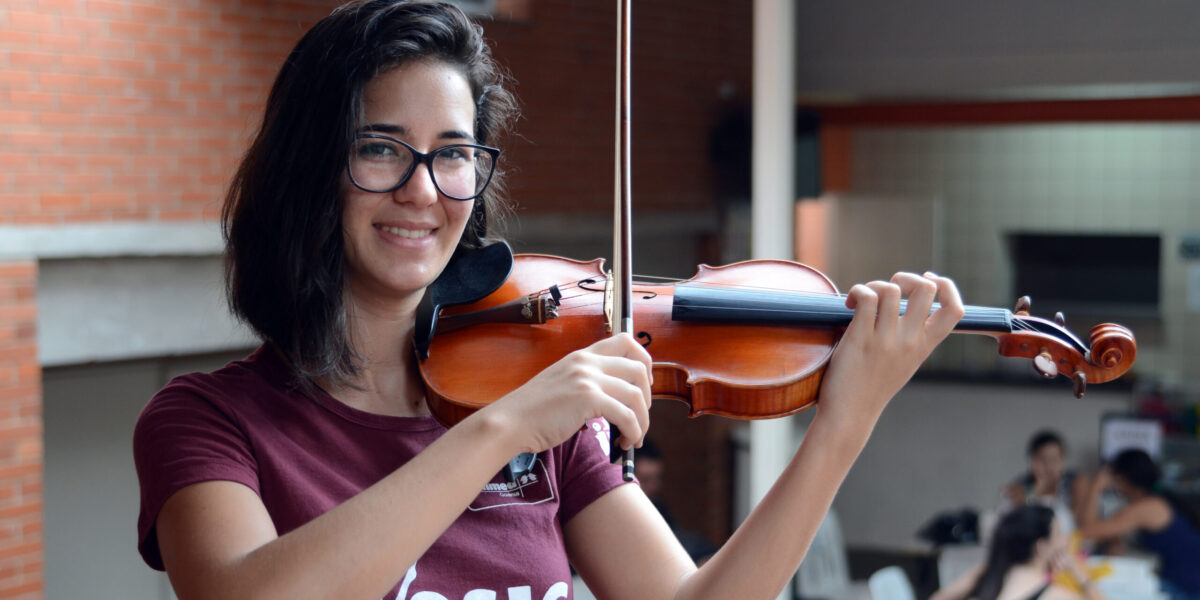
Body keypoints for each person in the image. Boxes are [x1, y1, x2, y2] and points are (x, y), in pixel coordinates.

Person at [131, 2, 965, 599]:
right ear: (309, 171)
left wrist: (845, 419)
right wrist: (508, 427)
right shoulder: (208, 424)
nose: (425, 191)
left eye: (454, 154)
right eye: (380, 148)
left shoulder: (541, 396)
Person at [1078, 449, 1200, 600]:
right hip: (1185, 581)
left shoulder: (1147, 507)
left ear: (1121, 479)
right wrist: (1114, 539)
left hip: (1186, 587)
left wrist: (1095, 487)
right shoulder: (1156, 499)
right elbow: (1110, 528)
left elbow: (1087, 530)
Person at [931, 505, 1105, 600]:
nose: (1066, 539)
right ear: (1041, 546)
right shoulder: (1055, 595)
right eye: (1059, 534)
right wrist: (1082, 578)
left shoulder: (986, 574)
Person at [633, 438, 718, 564]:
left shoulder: (656, 504)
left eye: (657, 478)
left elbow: (678, 540)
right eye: (646, 479)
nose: (655, 486)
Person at [1003, 430, 1088, 532]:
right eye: (1043, 460)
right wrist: (1034, 493)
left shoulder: (1076, 481)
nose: (1049, 466)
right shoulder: (1021, 485)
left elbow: (1078, 521)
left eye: (1054, 459)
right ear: (1032, 461)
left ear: (1063, 460)